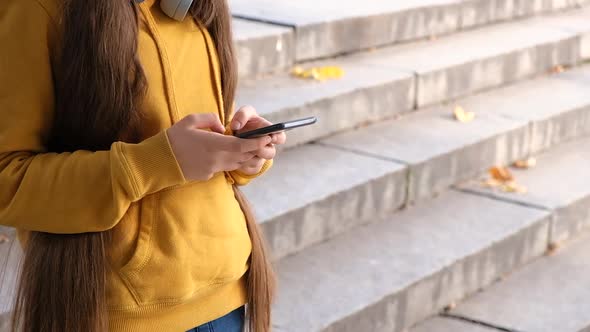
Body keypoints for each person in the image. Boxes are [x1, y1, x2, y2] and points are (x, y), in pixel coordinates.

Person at [0, 0, 286, 331]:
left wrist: (243, 151)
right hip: (121, 312)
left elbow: (203, 130)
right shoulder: (35, 8)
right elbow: (8, 179)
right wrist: (156, 163)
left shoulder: (195, 6)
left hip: (228, 292)